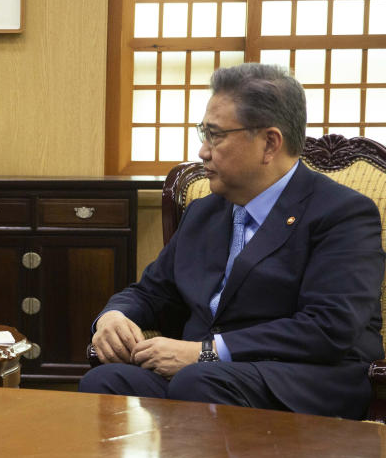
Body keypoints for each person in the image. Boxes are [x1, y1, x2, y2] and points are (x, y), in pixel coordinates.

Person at [79, 63, 385, 419]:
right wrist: (113, 316)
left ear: (270, 143)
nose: (203, 152)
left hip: (301, 378)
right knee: (104, 382)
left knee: (198, 383)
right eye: (203, 134)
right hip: (202, 376)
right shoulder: (204, 212)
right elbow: (151, 292)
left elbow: (328, 326)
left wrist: (206, 352)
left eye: (216, 136)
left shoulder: (343, 213)